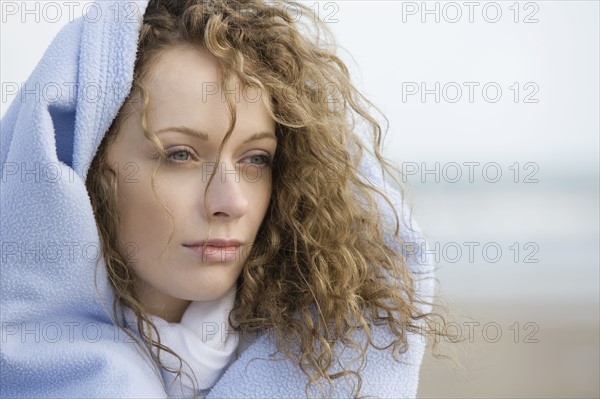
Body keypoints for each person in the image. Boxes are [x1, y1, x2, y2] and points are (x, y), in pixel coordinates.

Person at [1, 0, 447, 397]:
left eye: (256, 159)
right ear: (91, 161)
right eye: (180, 155)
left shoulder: (325, 362)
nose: (231, 201)